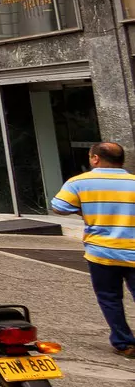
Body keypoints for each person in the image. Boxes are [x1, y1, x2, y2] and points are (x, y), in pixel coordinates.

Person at [49, 140, 135, 357]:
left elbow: (59, 207)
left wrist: (84, 211)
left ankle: (124, 342)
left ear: (95, 158)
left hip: (100, 252)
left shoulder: (79, 182)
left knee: (109, 297)